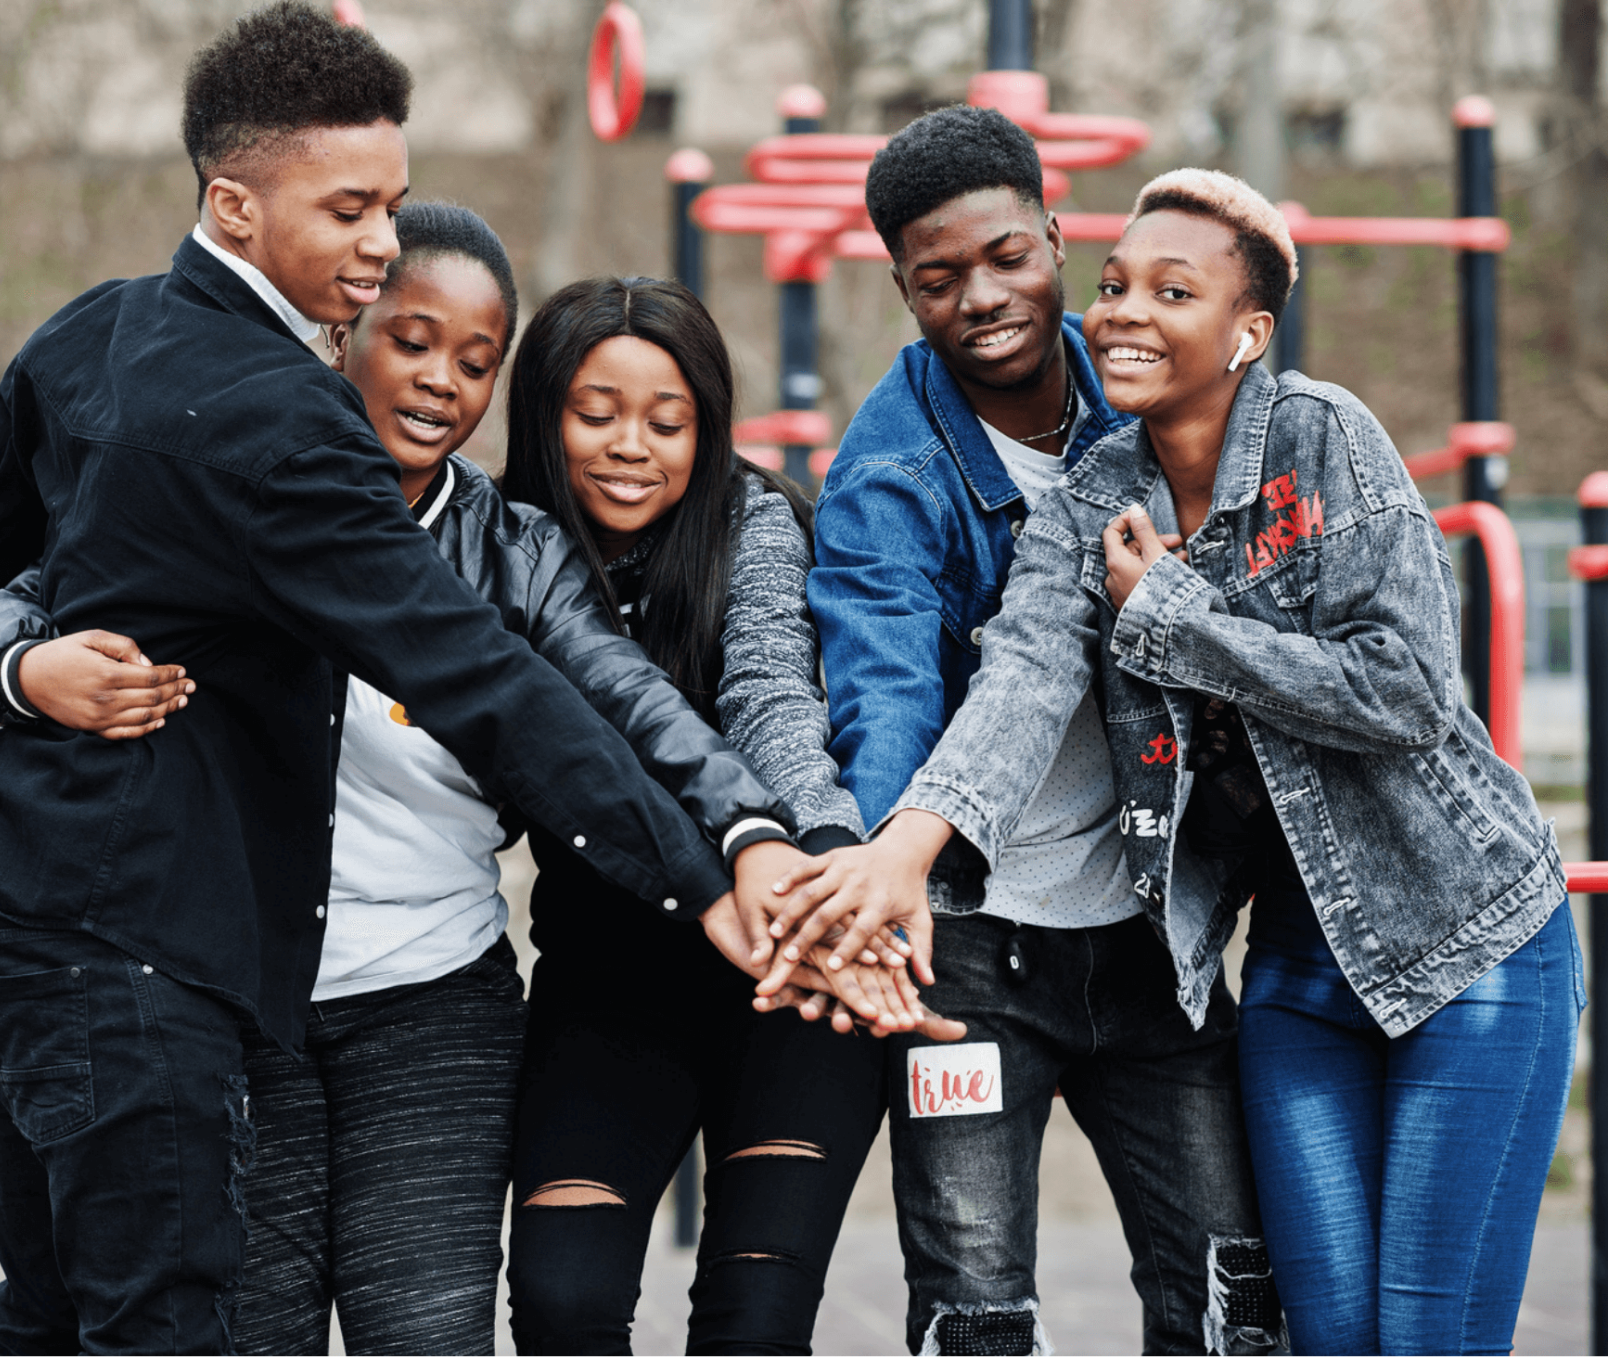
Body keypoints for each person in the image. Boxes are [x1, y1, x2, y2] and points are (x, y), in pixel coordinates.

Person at [0, 10, 855, 1352]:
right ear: (232, 203)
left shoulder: (93, 332)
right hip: (135, 952)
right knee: (156, 1319)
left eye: (391, 205)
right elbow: (481, 677)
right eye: (348, 209)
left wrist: (13, 655)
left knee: (51, 1307)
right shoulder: (291, 428)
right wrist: (706, 880)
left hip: (20, 913)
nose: (376, 241)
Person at [784, 167, 1580, 1357]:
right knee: (1315, 1330)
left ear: (1245, 331)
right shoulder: (1096, 492)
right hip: (1292, 971)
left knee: (1420, 1334)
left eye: (1171, 290)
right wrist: (904, 846)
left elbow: (1405, 691)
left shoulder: (1323, 439)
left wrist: (1172, 614)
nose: (1119, 314)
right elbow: (1025, 670)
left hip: (1460, 936)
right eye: (1112, 287)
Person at [775, 108, 1283, 1356]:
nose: (982, 297)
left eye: (1006, 256)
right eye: (938, 280)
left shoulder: (1148, 388)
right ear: (901, 287)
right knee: (974, 1314)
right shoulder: (887, 481)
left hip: (1147, 933)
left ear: (1056, 236)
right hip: (971, 953)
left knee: (1234, 1296)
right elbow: (884, 686)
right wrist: (893, 860)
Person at [498, 276, 952, 1359]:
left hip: (792, 974)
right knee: (561, 1309)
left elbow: (769, 702)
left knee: (753, 1326)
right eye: (594, 412)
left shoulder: (754, 522)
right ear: (541, 413)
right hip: (607, 980)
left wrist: (833, 861)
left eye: (668, 421)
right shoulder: (498, 547)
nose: (630, 447)